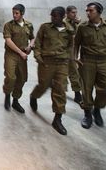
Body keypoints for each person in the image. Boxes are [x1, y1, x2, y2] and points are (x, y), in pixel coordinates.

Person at [74, 2, 106, 129]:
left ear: (99, 12)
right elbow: (76, 43)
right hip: (87, 61)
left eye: (90, 11)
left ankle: (97, 108)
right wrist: (75, 57)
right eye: (86, 11)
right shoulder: (82, 26)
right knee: (86, 89)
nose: (88, 13)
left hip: (104, 62)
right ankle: (87, 113)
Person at [30, 7, 74, 135]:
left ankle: (58, 119)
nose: (53, 18)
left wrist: (67, 58)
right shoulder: (45, 27)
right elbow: (37, 43)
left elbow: (71, 45)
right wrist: (38, 58)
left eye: (56, 16)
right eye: (52, 16)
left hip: (62, 63)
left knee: (60, 89)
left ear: (62, 17)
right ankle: (34, 95)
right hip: (46, 63)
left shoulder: (69, 30)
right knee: (43, 85)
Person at [2, 4, 35, 113]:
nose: (14, 15)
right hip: (11, 55)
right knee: (11, 77)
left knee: (22, 78)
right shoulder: (8, 25)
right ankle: (7, 96)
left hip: (23, 55)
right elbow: (8, 41)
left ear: (22, 13)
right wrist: (20, 52)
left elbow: (32, 38)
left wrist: (30, 46)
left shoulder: (29, 25)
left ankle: (15, 101)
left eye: (16, 13)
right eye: (13, 13)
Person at [64, 5, 83, 105]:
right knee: (65, 72)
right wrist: (77, 24)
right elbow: (72, 33)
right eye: (73, 13)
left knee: (73, 71)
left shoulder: (74, 23)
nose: (75, 14)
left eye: (76, 12)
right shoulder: (64, 23)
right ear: (67, 13)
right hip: (63, 50)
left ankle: (77, 93)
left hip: (71, 50)